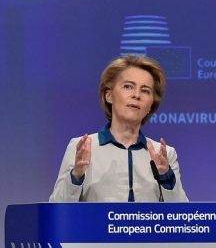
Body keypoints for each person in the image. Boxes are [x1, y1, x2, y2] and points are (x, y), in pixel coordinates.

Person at [49, 55, 188, 202]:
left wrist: (166, 176)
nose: (136, 95)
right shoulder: (82, 148)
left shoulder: (164, 154)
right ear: (109, 96)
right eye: (128, 86)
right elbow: (57, 209)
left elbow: (182, 216)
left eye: (145, 91)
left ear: (151, 105)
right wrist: (76, 174)